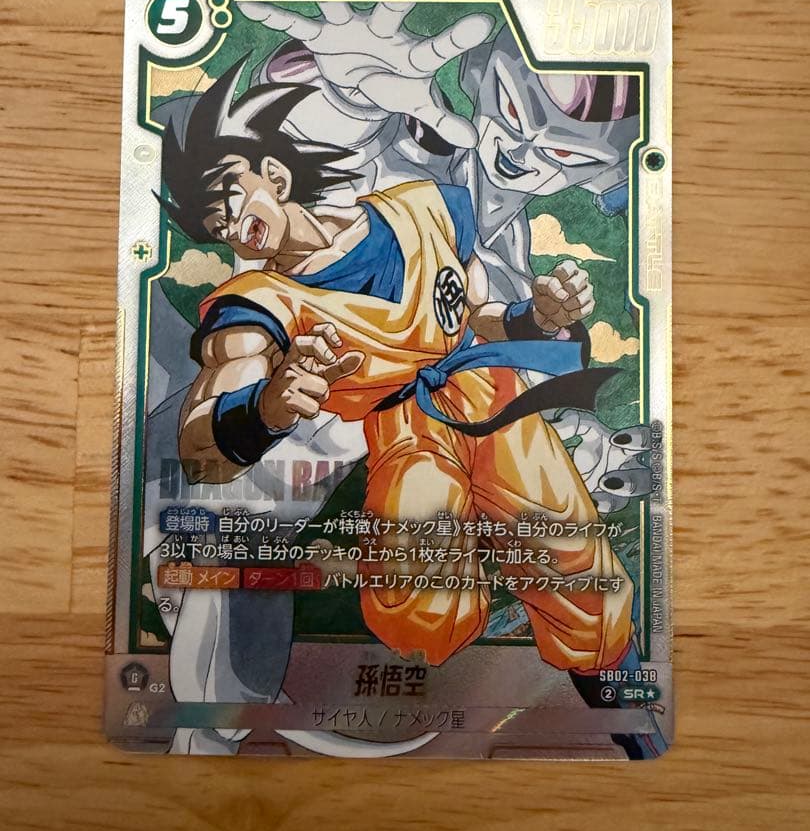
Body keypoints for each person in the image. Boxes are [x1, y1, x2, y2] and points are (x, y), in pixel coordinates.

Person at [161, 60, 635, 673]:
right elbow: (200, 448)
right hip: (405, 427)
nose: (229, 224)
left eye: (227, 196)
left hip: (494, 400)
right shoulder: (257, 305)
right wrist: (268, 407)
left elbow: (477, 312)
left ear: (274, 174)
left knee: (577, 566)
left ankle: (615, 683)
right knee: (421, 603)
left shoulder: (421, 209)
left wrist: (536, 317)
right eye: (213, 224)